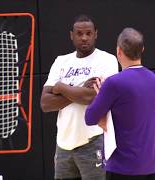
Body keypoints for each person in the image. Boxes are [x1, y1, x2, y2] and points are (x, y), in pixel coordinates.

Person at [40, 14, 118, 180]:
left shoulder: (107, 60)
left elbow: (92, 97)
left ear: (95, 34)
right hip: (63, 145)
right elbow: (45, 103)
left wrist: (61, 87)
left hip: (93, 141)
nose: (84, 38)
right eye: (79, 33)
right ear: (71, 35)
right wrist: (80, 89)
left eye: (88, 33)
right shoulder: (61, 61)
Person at [85, 28, 155, 180]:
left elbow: (90, 117)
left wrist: (101, 97)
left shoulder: (114, 83)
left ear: (118, 51)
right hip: (149, 166)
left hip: (122, 167)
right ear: (142, 50)